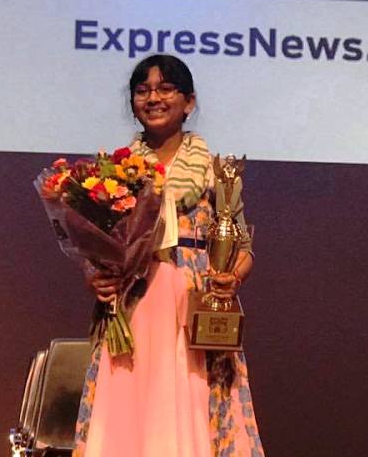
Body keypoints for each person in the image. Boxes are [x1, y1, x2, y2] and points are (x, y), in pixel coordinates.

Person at [73, 54, 265, 457]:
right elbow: (99, 247)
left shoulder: (215, 173)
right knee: (132, 406)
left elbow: (242, 249)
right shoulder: (116, 172)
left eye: (165, 89)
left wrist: (232, 279)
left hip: (193, 309)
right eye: (142, 91)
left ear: (189, 102)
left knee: (192, 401)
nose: (153, 98)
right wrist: (98, 276)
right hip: (135, 307)